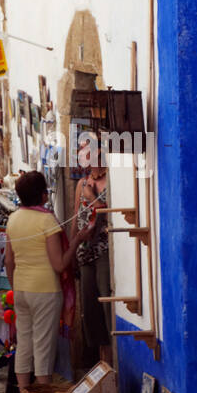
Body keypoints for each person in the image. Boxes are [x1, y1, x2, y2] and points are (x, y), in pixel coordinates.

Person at [6, 169, 94, 393]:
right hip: (45, 290)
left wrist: (16, 285)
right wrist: (77, 239)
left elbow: (9, 260)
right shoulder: (48, 221)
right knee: (44, 348)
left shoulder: (14, 219)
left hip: (21, 289)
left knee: (24, 346)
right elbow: (59, 264)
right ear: (43, 195)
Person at [73, 139, 113, 368]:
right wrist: (71, 249)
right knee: (90, 311)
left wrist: (92, 198)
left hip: (105, 250)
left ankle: (111, 363)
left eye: (87, 149)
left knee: (106, 303)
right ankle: (101, 365)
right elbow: (74, 219)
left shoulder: (111, 180)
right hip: (84, 254)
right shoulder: (82, 183)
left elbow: (108, 212)